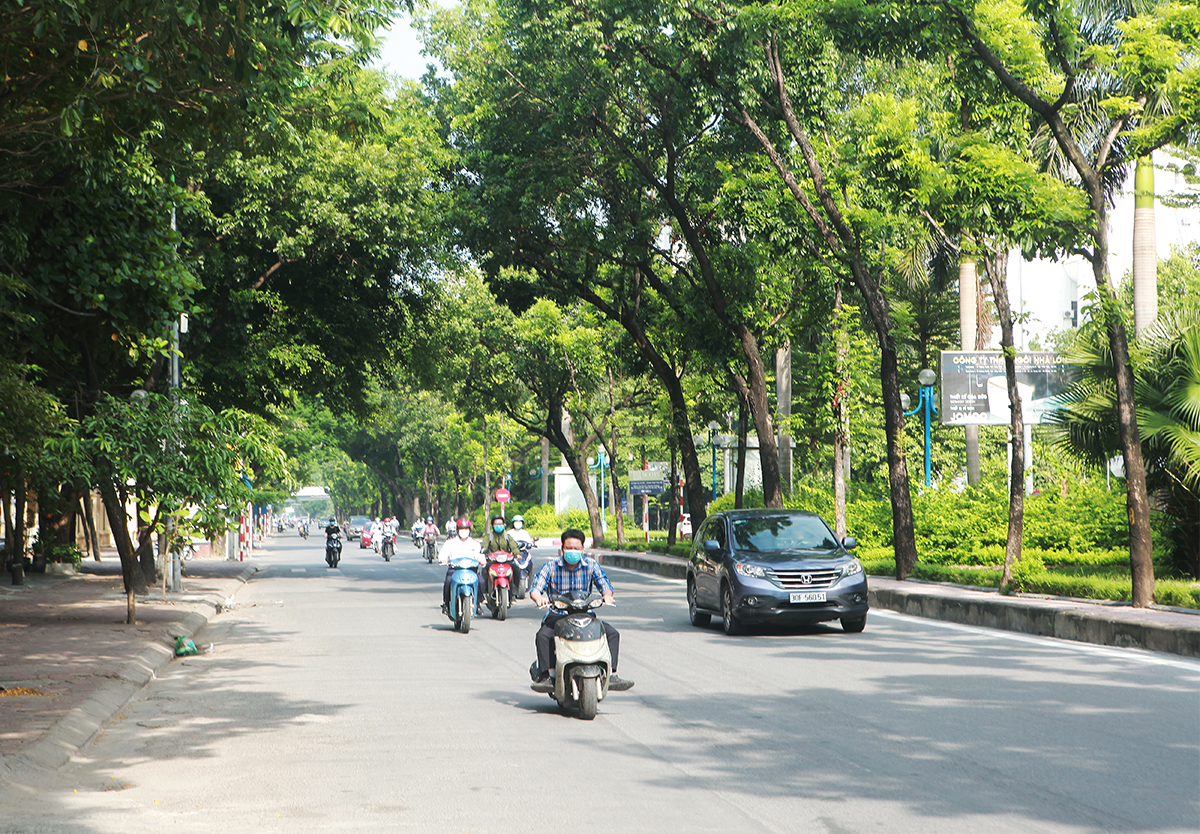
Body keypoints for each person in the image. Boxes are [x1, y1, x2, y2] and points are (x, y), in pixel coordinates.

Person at [529, 528, 633, 691]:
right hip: (558, 615)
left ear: (583, 549)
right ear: (562, 548)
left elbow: (604, 584)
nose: (572, 551)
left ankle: (610, 674)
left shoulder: (591, 565)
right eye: (569, 548)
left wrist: (607, 595)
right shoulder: (551, 566)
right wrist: (539, 598)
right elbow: (536, 588)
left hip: (585, 615)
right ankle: (549, 675)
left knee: (612, 633)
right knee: (543, 636)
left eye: (576, 548)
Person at [440, 517, 485, 616]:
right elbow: (443, 554)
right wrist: (443, 559)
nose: (464, 531)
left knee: (481, 581)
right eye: (461, 529)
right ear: (457, 530)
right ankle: (446, 604)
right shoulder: (450, 542)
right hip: (455, 569)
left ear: (469, 530)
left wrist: (482, 560)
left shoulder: (475, 543)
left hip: (471, 570)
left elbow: (479, 554)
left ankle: (478, 603)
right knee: (448, 581)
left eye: (466, 529)